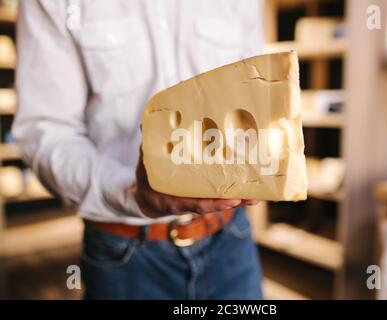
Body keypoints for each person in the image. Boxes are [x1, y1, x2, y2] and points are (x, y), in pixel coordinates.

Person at [12, 0, 264, 299]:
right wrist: (131, 192)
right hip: (125, 254)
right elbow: (47, 131)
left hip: (230, 239)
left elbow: (253, 94)